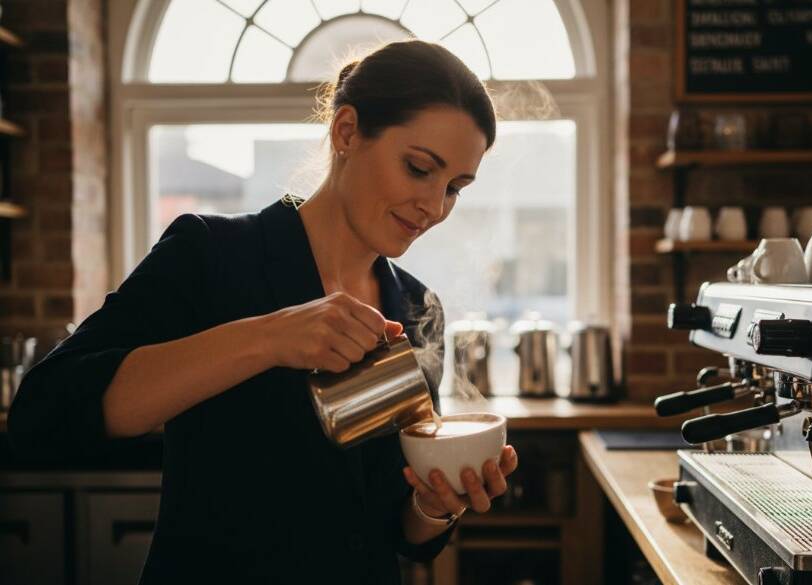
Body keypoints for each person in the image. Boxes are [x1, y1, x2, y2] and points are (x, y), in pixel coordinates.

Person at [8, 40, 518, 584]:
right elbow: (43, 415)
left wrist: (438, 503)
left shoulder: (416, 307)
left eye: (455, 188)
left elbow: (398, 527)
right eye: (419, 169)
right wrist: (269, 338)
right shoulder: (209, 254)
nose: (435, 207)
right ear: (346, 131)